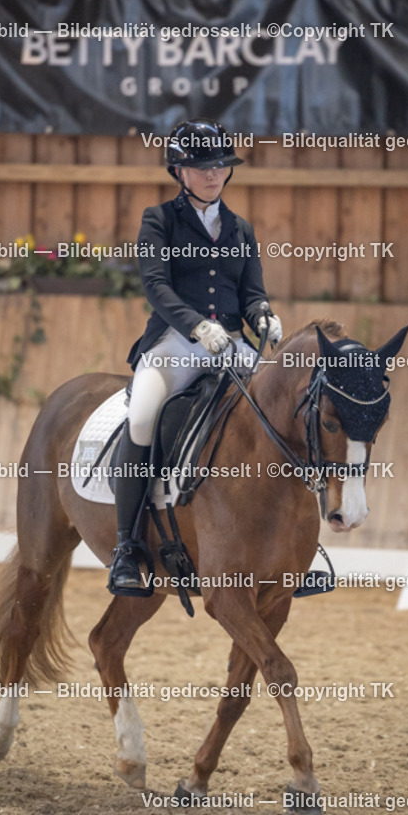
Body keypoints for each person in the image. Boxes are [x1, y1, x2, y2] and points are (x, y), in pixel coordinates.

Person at [108, 119, 282, 595]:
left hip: (229, 345)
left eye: (220, 166)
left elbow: (251, 292)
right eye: (201, 167)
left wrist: (262, 314)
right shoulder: (158, 220)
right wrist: (195, 326)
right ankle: (127, 548)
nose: (213, 175)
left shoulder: (241, 228)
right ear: (179, 171)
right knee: (142, 417)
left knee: (282, 408)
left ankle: (292, 539)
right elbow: (156, 287)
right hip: (175, 344)